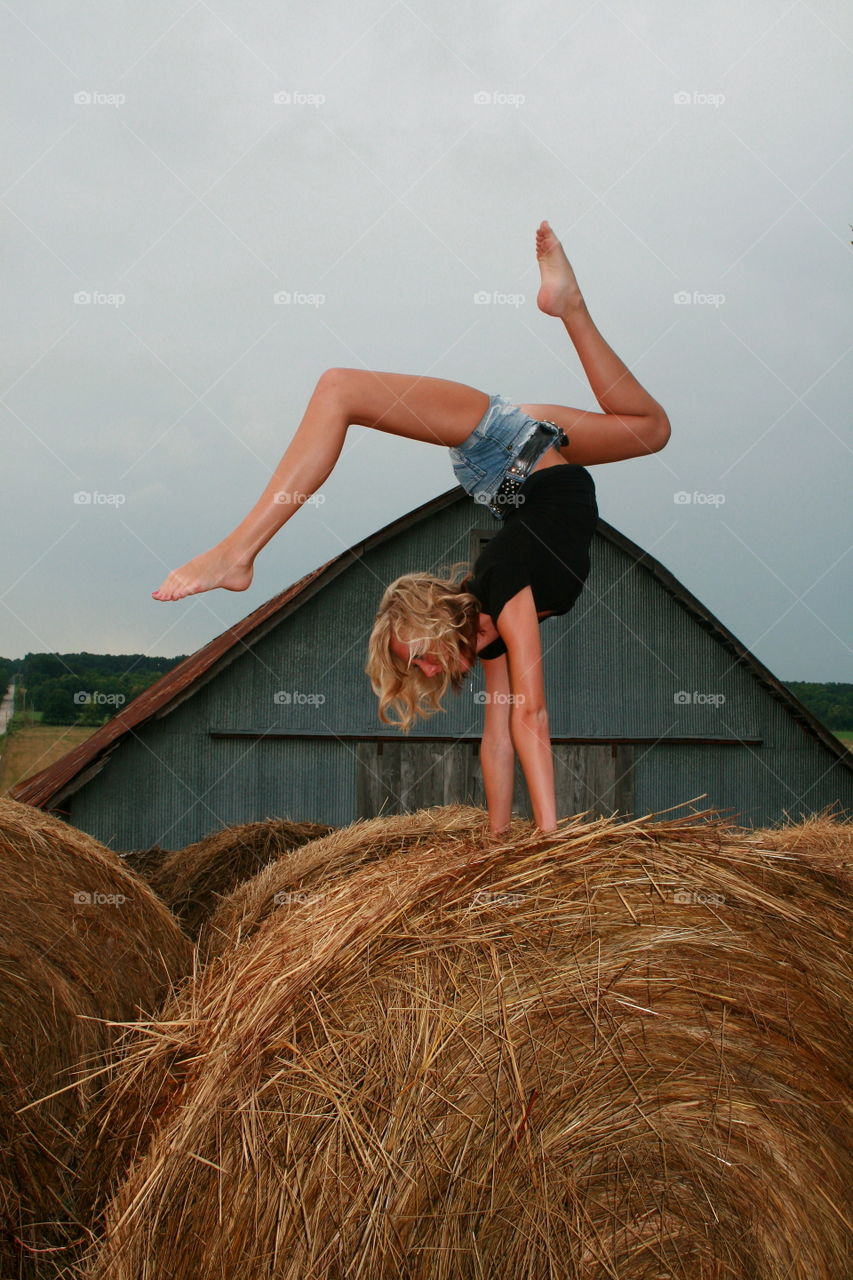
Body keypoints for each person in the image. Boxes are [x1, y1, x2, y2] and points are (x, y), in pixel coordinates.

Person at [153, 221, 671, 836]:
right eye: (419, 669)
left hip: (508, 453)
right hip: (523, 468)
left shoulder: (502, 589)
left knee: (338, 389)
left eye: (417, 659)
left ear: (434, 625)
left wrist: (551, 843)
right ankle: (568, 306)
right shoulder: (496, 626)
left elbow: (532, 715)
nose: (428, 674)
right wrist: (496, 843)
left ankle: (237, 553)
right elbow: (501, 734)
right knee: (650, 429)